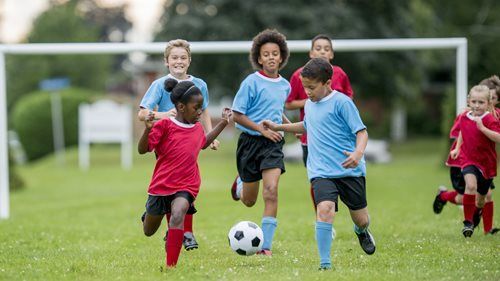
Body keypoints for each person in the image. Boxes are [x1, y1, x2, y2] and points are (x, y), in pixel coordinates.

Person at [263, 58, 375, 270]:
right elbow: (307, 125)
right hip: (321, 171)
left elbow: (361, 132)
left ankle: (361, 232)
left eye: (312, 87)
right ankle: (325, 264)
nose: (307, 92)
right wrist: (278, 126)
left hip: (349, 170)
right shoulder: (309, 105)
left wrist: (358, 153)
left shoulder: (342, 103)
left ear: (327, 83)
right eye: (305, 87)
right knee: (324, 209)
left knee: (362, 219)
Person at [138, 78, 231, 267]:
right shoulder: (164, 126)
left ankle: (171, 266)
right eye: (196, 108)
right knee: (148, 231)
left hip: (186, 185)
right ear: (181, 107)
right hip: (161, 186)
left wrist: (222, 123)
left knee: (178, 213)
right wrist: (147, 131)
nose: (199, 112)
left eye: (201, 108)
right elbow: (142, 149)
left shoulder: (196, 128)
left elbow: (203, 142)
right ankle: (149, 213)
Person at [138, 39, 218, 250]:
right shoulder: (159, 85)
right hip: (166, 140)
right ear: (166, 61)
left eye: (183, 57)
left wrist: (210, 134)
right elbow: (142, 113)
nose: (179, 61)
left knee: (186, 181)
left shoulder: (200, 84)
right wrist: (163, 115)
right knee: (171, 185)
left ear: (189, 61)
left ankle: (186, 232)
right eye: (174, 57)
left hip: (190, 137)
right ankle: (163, 217)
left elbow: (205, 110)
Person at [229, 29, 290, 256]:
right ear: (259, 58)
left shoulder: (285, 85)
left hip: (273, 143)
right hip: (250, 143)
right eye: (266, 54)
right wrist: (260, 130)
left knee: (271, 191)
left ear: (281, 57)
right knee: (249, 202)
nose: (271, 57)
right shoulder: (251, 82)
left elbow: (276, 111)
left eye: (275, 53)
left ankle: (265, 247)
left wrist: (289, 127)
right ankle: (241, 184)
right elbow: (238, 114)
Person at [285, 34, 354, 210]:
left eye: (326, 48)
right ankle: (323, 216)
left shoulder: (340, 74)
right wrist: (313, 98)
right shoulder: (299, 76)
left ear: (332, 54)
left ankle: (354, 213)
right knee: (318, 180)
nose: (322, 51)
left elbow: (348, 101)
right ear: (311, 53)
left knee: (342, 180)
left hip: (338, 140)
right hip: (311, 139)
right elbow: (288, 103)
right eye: (318, 48)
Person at [433, 75, 500, 235]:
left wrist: (484, 129)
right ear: (470, 100)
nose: (477, 105)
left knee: (480, 198)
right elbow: (462, 131)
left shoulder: (493, 116)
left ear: (491, 101)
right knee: (470, 190)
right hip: (463, 161)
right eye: (474, 101)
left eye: (493, 98)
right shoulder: (465, 115)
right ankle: (470, 223)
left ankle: (446, 198)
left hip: (485, 163)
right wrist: (457, 149)